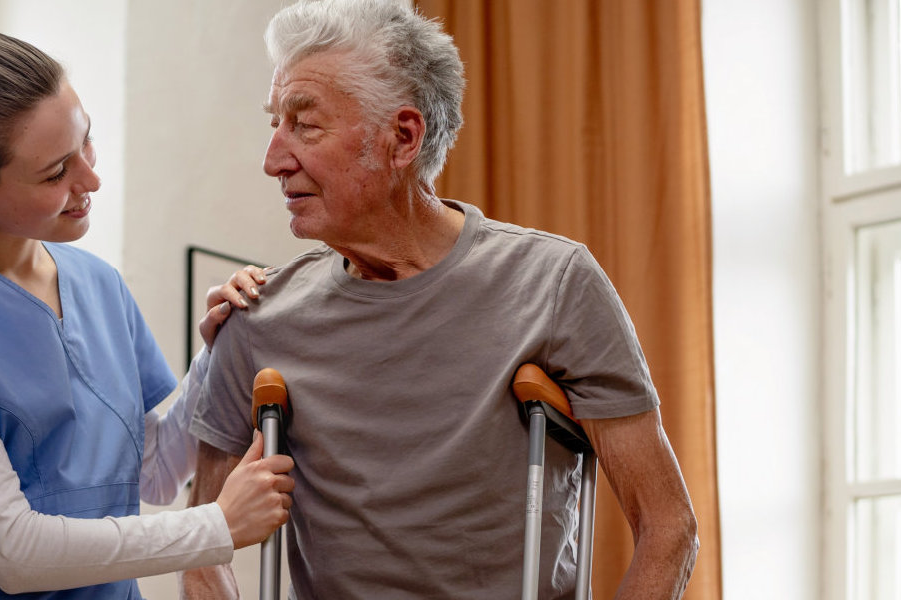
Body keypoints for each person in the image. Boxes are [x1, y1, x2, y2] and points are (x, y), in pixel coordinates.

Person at [179, 1, 699, 598]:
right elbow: (203, 549)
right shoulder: (256, 316)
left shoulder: (556, 283)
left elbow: (668, 527)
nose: (273, 159)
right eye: (274, 123)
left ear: (403, 137)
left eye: (305, 124)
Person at [0, 31, 294, 599]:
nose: (91, 180)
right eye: (56, 173)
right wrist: (217, 526)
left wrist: (221, 345)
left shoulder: (99, 285)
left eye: (87, 142)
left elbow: (150, 473)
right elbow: (14, 553)